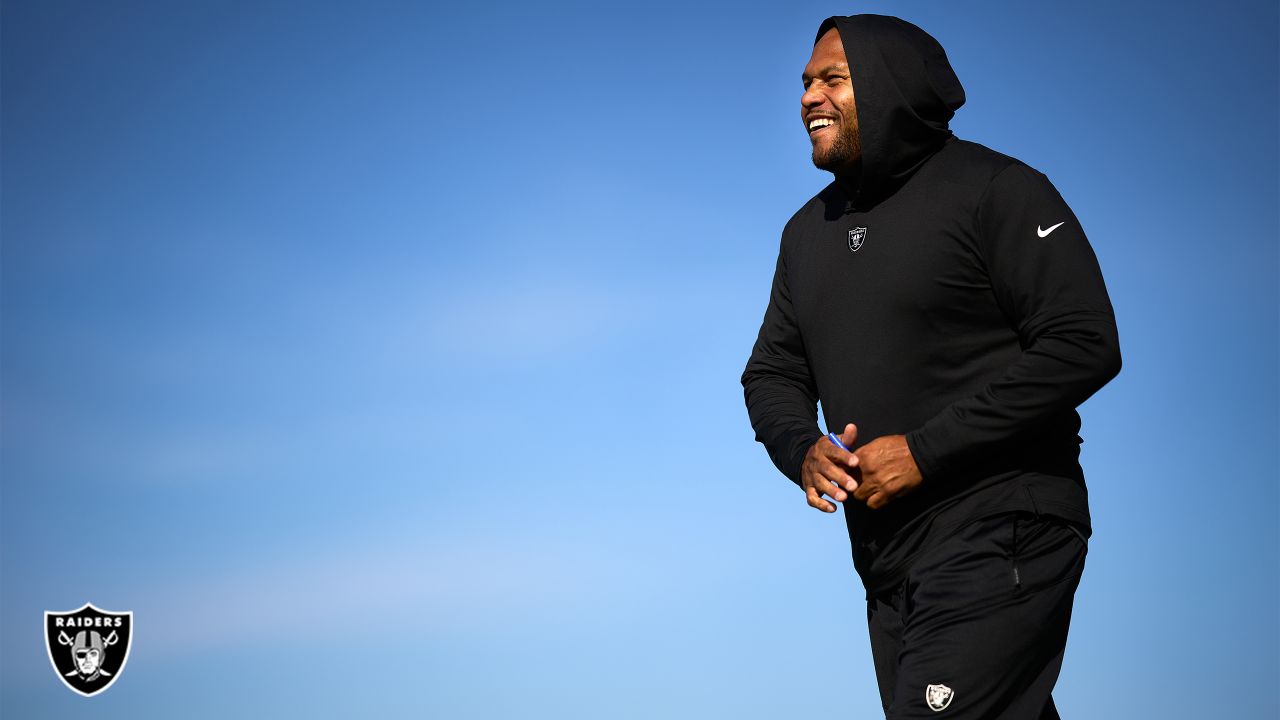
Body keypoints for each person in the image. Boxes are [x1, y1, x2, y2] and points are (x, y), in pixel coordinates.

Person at [740, 14, 1122, 720]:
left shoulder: (996, 189)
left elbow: (1084, 340)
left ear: (888, 87)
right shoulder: (804, 235)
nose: (807, 98)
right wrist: (802, 451)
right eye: (803, 84)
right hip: (887, 561)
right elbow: (771, 373)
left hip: (1004, 525)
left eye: (832, 79)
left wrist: (925, 451)